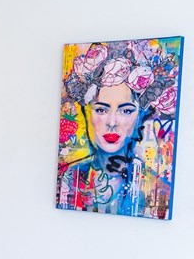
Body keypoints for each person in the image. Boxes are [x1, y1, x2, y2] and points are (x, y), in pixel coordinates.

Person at [57, 38, 181, 219]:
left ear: (140, 117)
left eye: (126, 110)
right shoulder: (68, 178)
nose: (112, 122)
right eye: (101, 109)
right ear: (86, 113)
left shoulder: (157, 190)